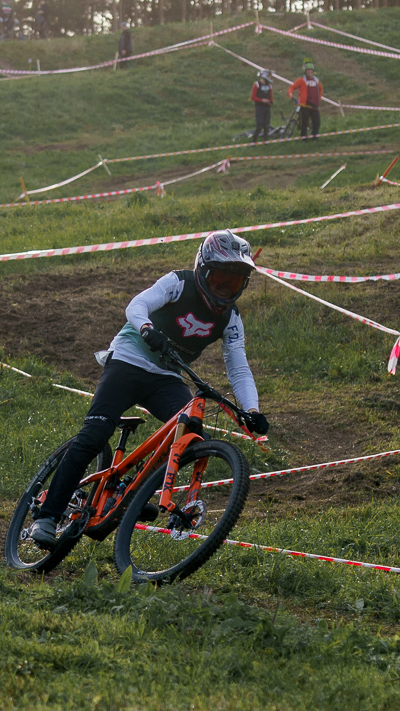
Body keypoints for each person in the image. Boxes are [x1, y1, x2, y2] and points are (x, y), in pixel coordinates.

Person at [26, 231, 269, 549]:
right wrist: (146, 328)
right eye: (220, 279)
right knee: (95, 435)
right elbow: (138, 305)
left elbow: (238, 368)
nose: (225, 289)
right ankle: (47, 515)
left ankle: (129, 491)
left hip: (166, 376)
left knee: (192, 434)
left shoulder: (231, 319)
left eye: (234, 283)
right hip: (128, 360)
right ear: (202, 270)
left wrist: (251, 410)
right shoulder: (178, 283)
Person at [289, 60, 322, 137]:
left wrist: (318, 99)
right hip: (304, 105)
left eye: (310, 70)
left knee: (317, 122)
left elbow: (320, 89)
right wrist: (290, 93)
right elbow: (292, 87)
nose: (309, 72)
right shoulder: (302, 80)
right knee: (304, 122)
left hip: (314, 105)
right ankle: (303, 138)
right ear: (305, 71)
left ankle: (315, 136)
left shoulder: (316, 80)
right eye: (307, 70)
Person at [250, 69, 273, 142]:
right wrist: (262, 100)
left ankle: (265, 141)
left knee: (266, 125)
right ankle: (254, 141)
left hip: (267, 108)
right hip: (259, 107)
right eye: (269, 76)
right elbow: (253, 97)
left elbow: (271, 96)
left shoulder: (269, 86)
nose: (270, 77)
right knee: (259, 125)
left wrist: (270, 102)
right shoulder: (257, 84)